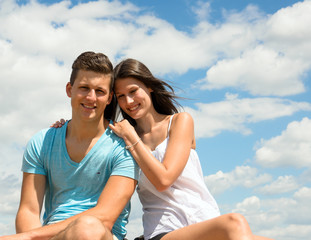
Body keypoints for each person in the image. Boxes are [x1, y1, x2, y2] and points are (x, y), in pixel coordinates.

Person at [52, 58, 273, 240]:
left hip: (205, 222)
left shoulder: (179, 122)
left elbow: (166, 175)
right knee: (235, 221)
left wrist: (132, 139)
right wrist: (65, 127)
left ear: (149, 86)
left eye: (133, 91)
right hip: (164, 230)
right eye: (120, 96)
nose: (128, 101)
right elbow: (161, 183)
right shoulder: (123, 136)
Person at [0, 52, 139, 240]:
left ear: (109, 98)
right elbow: (29, 210)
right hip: (51, 236)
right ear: (69, 89)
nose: (91, 97)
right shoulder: (41, 142)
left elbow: (105, 217)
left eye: (100, 91)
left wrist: (29, 237)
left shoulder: (124, 146)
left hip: (100, 235)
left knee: (87, 228)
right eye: (84, 88)